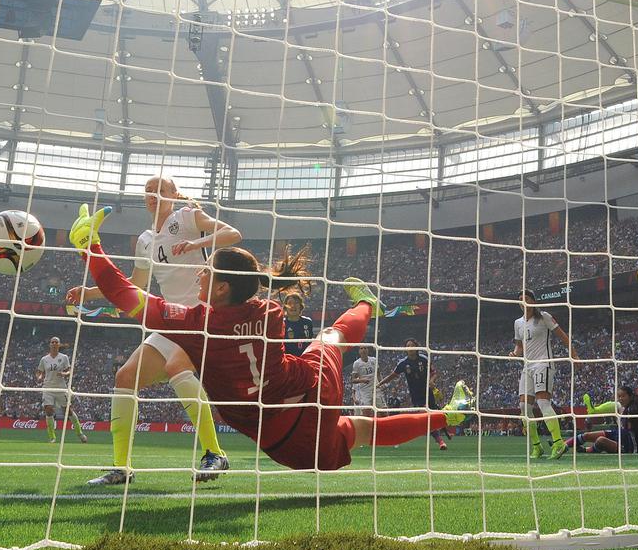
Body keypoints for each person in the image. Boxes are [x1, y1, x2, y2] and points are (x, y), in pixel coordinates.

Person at [69, 205, 473, 481]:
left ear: (223, 287)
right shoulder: (269, 313)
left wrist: (91, 247)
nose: (198, 276)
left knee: (359, 431)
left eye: (205, 271)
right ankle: (372, 309)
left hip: (288, 447)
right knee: (331, 338)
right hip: (311, 392)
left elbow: (127, 298)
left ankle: (446, 415)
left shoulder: (195, 325)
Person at [66, 177, 240, 486]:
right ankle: (121, 468)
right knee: (125, 377)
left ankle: (215, 453)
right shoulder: (145, 239)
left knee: (176, 366)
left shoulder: (186, 216)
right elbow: (136, 285)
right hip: (169, 321)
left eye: (161, 189)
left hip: (202, 318)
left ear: (174, 194)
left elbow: (232, 233)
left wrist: (196, 244)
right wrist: (89, 294)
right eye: (149, 190)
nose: (153, 195)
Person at [511, 289, 577, 460]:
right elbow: (519, 346)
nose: (522, 302)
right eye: (520, 300)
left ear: (533, 301)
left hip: (543, 364)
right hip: (528, 366)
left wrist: (574, 354)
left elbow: (562, 335)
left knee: (542, 402)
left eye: (525, 298)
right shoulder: (517, 323)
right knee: (524, 408)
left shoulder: (544, 317)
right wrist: (514, 353)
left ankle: (558, 443)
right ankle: (537, 447)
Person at [380, 339, 449, 450]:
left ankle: (442, 434)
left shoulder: (424, 359)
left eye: (412, 345)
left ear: (417, 347)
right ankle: (440, 441)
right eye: (408, 346)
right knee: (426, 416)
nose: (410, 347)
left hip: (428, 392)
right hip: (416, 395)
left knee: (434, 414)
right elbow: (393, 375)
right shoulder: (403, 363)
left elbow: (434, 372)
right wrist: (381, 383)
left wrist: (431, 380)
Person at [35, 336, 87, 444]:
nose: (54, 344)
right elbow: (39, 371)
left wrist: (64, 373)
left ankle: (80, 433)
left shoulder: (64, 357)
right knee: (48, 409)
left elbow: (69, 371)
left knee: (68, 410)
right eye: (52, 342)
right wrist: (39, 377)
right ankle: (52, 437)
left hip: (61, 387)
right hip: (48, 387)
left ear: (59, 345)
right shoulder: (44, 359)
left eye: (56, 342)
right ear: (50, 344)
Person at [575, 385, 638, 454]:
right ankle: (566, 445)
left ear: (630, 396)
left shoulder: (632, 410)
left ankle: (587, 450)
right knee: (587, 435)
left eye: (623, 396)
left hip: (628, 446)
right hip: (619, 435)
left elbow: (630, 433)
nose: (620, 399)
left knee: (601, 440)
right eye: (619, 396)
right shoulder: (625, 408)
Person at [349, 345, 384, 418]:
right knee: (366, 413)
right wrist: (362, 380)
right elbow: (353, 380)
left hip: (376, 389)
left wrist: (382, 383)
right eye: (361, 348)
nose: (363, 350)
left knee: (383, 411)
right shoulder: (357, 363)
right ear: (359, 351)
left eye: (365, 348)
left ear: (368, 350)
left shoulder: (374, 360)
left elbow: (378, 374)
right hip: (365, 391)